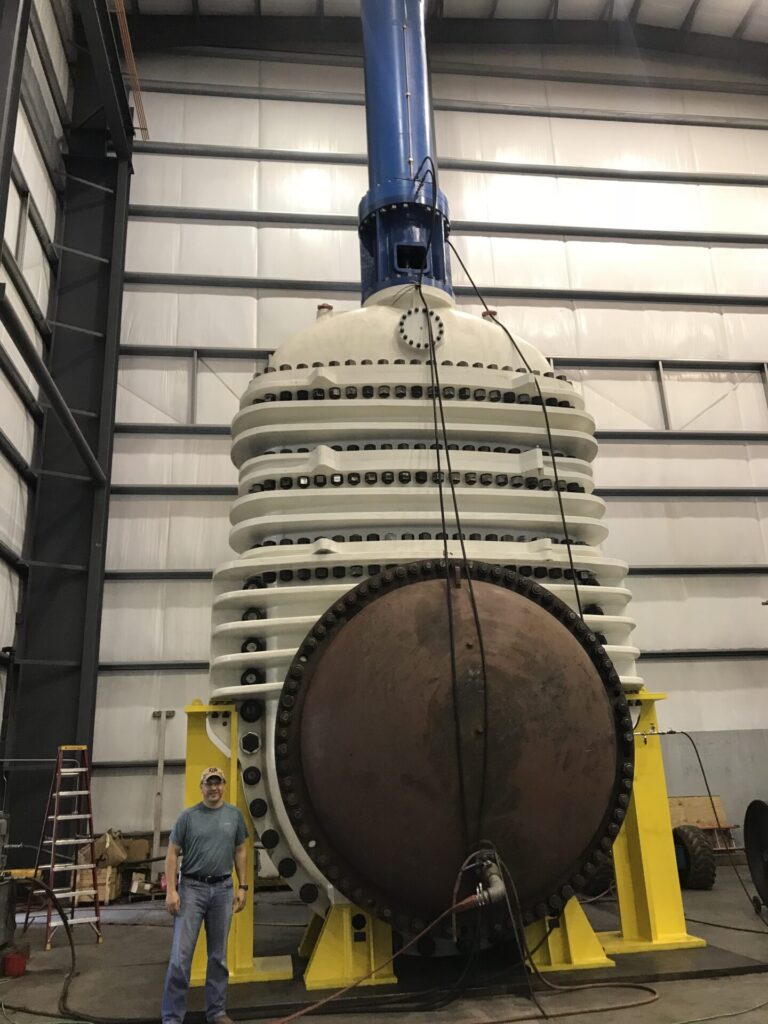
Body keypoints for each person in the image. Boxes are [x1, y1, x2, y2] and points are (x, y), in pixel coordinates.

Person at [161, 767, 249, 1024]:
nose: (214, 788)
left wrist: (243, 886)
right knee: (180, 957)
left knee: (218, 957)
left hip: (223, 890)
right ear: (202, 787)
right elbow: (172, 853)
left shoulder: (234, 816)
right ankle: (171, 1018)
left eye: (218, 783)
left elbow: (241, 850)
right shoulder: (188, 817)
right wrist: (171, 891)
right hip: (192, 890)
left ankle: (216, 1012)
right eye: (209, 784)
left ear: (223, 785)